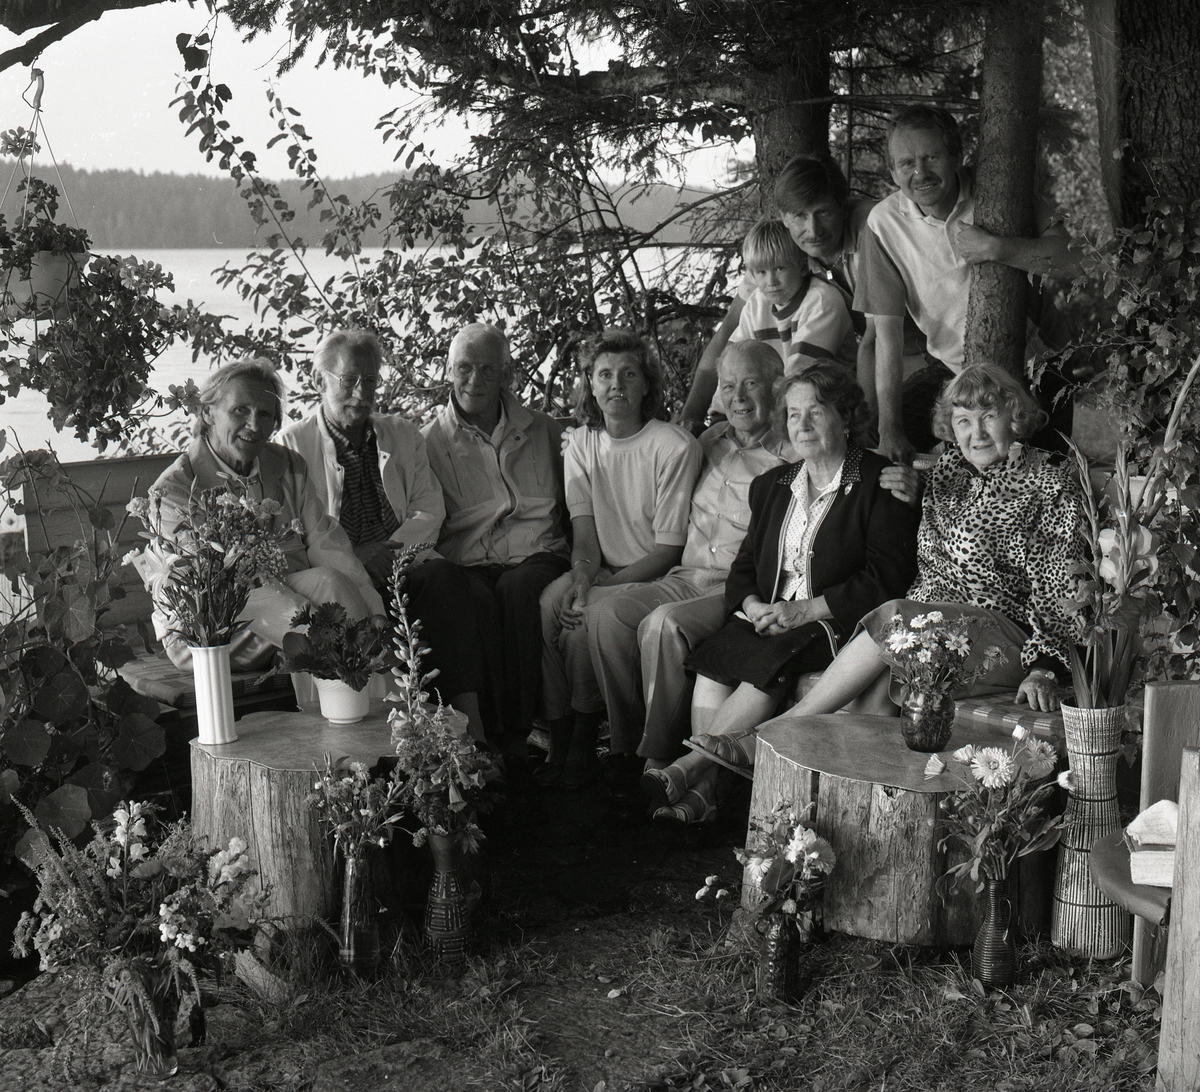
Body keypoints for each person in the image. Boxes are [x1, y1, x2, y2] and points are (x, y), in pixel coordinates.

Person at [643, 362, 920, 823]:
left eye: (816, 411)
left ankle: (690, 768)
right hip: (772, 617)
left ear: (846, 416)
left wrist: (804, 610)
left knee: (765, 667)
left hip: (831, 623)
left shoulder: (878, 482)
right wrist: (752, 607)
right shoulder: (771, 486)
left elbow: (885, 579)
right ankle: (707, 796)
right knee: (716, 661)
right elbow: (745, 567)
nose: (803, 425)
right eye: (793, 415)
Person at [753, 363, 1085, 749]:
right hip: (934, 633)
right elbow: (927, 557)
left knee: (896, 621)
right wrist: (912, 496)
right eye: (962, 421)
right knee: (876, 690)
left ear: (1015, 417)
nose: (975, 434)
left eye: (988, 417)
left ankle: (782, 728)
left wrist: (1044, 668)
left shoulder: (1048, 481)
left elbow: (1059, 587)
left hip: (1007, 639)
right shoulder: (948, 472)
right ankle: (866, 790)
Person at [586, 341, 791, 779]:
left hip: (736, 588)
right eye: (728, 385)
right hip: (683, 574)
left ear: (778, 387)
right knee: (606, 614)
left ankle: (657, 759)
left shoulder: (793, 455)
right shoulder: (706, 441)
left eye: (750, 384)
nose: (737, 398)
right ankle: (625, 744)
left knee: (664, 624)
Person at [277, 329, 491, 741]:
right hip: (339, 571)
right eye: (348, 380)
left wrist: (389, 553)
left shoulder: (401, 433)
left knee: (450, 584)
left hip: (401, 561)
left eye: (371, 381)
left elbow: (430, 509)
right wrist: (358, 557)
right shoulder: (294, 445)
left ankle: (470, 725)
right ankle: (399, 738)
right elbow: (300, 532)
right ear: (320, 380)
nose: (361, 392)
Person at [854, 105, 1077, 463]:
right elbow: (887, 337)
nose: (920, 172)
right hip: (955, 368)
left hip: (1037, 363)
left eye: (931, 157)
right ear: (893, 171)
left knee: (1038, 473)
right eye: (907, 163)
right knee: (887, 445)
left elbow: (1073, 260)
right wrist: (889, 428)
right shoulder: (883, 225)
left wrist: (998, 248)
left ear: (957, 155)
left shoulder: (1000, 193)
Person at [538, 328, 703, 787]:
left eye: (629, 374)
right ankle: (559, 730)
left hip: (656, 574)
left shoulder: (672, 447)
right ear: (590, 384)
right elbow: (585, 535)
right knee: (550, 603)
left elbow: (667, 550)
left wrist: (597, 590)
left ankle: (586, 734)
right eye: (605, 374)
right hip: (601, 568)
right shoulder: (582, 445)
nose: (616, 385)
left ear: (646, 384)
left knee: (582, 622)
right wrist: (582, 577)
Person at [151, 358, 384, 671]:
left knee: (331, 581)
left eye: (265, 414)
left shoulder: (289, 465)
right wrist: (314, 619)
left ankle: (354, 684)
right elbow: (216, 585)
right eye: (240, 410)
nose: (254, 425)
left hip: (284, 604)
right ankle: (354, 681)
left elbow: (326, 543)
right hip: (210, 626)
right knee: (324, 627)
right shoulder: (177, 489)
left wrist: (372, 605)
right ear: (207, 412)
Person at [421, 323, 572, 756]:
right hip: (469, 560)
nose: (475, 380)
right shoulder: (429, 444)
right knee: (473, 602)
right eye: (464, 368)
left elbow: (581, 502)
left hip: (538, 554)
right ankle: (483, 739)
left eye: (488, 369)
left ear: (507, 374)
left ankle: (518, 732)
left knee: (518, 588)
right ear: (448, 370)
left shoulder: (546, 431)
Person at [679, 155, 895, 433]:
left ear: (842, 207)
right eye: (800, 216)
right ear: (785, 218)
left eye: (823, 213)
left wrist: (871, 428)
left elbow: (875, 341)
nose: (813, 230)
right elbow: (727, 338)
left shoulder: (871, 230)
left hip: (906, 352)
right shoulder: (779, 261)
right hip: (860, 366)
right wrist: (694, 415)